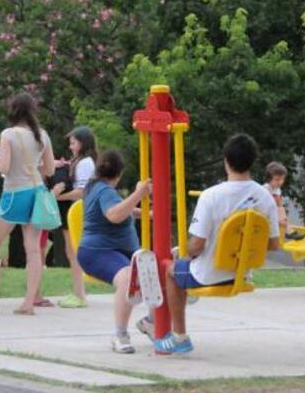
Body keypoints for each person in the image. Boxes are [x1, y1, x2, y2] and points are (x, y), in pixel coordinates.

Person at [153, 134, 281, 354]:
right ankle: (185, 302)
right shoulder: (265, 197)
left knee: (171, 270)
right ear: (253, 161)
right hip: (241, 274)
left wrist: (184, 250)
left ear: (226, 161)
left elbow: (196, 246)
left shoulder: (211, 196)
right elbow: (273, 244)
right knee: (182, 266)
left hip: (209, 273)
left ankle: (179, 336)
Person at [0, 93, 56, 316]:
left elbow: (4, 167)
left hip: (15, 194)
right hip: (37, 192)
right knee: (33, 249)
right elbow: (50, 170)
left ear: (13, 111)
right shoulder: (42, 135)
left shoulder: (8, 134)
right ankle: (28, 302)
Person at [75, 150, 151, 353]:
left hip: (115, 252)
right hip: (98, 252)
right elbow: (114, 215)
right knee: (127, 279)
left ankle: (151, 322)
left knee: (155, 272)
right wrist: (139, 194)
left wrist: (145, 213)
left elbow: (120, 209)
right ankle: (120, 335)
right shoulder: (104, 191)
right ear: (119, 174)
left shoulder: (97, 187)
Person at [50, 126, 98, 309]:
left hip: (78, 210)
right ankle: (78, 292)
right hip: (74, 210)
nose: (70, 146)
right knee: (72, 252)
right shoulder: (80, 161)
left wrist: (57, 196)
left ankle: (80, 295)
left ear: (82, 143)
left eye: (73, 143)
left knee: (74, 252)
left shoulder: (85, 163)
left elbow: (81, 192)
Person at [263, 161, 292, 238]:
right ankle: (287, 229)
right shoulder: (266, 188)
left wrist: (284, 219)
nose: (280, 182)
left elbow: (280, 205)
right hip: (265, 215)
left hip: (272, 214)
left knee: (281, 208)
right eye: (277, 179)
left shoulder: (277, 189)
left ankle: (287, 229)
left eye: (282, 179)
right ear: (269, 179)